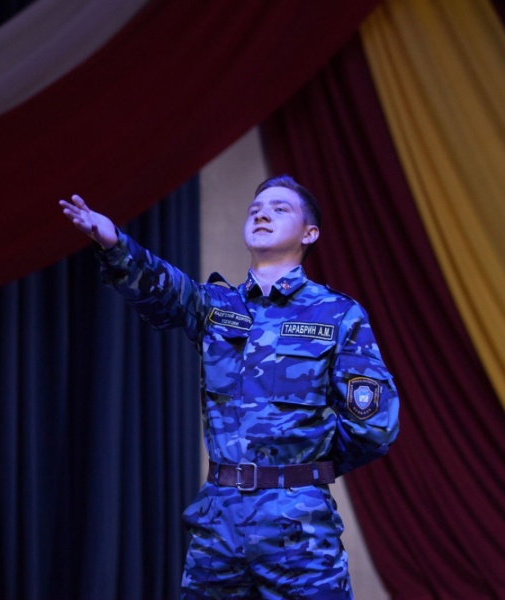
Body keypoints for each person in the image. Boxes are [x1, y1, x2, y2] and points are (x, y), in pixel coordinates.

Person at [59, 175, 400, 599]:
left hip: (298, 523)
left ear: (309, 233)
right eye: (256, 208)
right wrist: (113, 243)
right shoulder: (216, 306)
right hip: (220, 521)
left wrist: (304, 468)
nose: (262, 214)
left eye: (279, 208)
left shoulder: (337, 314)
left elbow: (373, 427)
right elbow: (163, 288)